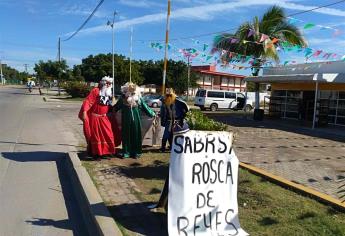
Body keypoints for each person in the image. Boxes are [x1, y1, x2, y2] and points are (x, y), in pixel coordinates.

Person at [78, 76, 118, 159]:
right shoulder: (95, 91)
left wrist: (113, 112)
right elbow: (88, 101)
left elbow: (111, 106)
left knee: (109, 134)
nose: (109, 85)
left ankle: (106, 152)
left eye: (110, 84)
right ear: (103, 83)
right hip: (95, 118)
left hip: (105, 118)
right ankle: (96, 153)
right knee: (96, 137)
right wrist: (85, 111)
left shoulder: (110, 93)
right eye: (107, 83)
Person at [113, 82, 155, 158]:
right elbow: (116, 107)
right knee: (126, 135)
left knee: (136, 134)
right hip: (125, 120)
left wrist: (152, 113)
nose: (131, 91)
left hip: (136, 119)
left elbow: (144, 107)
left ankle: (136, 152)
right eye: (129, 89)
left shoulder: (138, 98)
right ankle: (126, 152)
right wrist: (109, 110)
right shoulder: (123, 98)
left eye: (133, 89)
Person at [160, 88, 189, 152]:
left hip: (177, 121)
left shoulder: (178, 101)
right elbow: (163, 112)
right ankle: (163, 148)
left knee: (174, 135)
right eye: (167, 95)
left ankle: (171, 147)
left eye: (170, 95)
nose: (169, 97)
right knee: (166, 135)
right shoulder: (165, 102)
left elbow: (186, 108)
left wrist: (183, 116)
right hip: (169, 121)